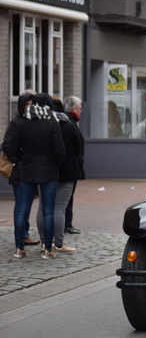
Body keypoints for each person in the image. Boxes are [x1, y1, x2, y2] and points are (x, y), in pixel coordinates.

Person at [11, 93, 65, 259]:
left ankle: (19, 248)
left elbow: (12, 148)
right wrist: (55, 162)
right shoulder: (52, 124)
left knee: (22, 210)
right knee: (48, 211)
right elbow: (60, 150)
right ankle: (48, 249)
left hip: (28, 170)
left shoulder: (22, 124)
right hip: (48, 171)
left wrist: (24, 159)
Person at [35, 97, 84, 253]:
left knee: (43, 207)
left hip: (45, 171)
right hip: (66, 172)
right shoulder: (69, 127)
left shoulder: (41, 126)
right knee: (59, 209)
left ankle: (44, 241)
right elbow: (78, 148)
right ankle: (58, 242)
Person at [2, 90, 39, 246]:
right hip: (20, 170)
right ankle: (22, 236)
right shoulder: (17, 122)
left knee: (25, 204)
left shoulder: (32, 121)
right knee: (22, 205)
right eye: (28, 104)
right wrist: (19, 160)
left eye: (32, 104)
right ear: (22, 105)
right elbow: (8, 146)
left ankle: (24, 234)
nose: (30, 107)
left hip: (29, 169)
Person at [63, 96, 84, 234]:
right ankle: (67, 224)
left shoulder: (70, 122)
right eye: (80, 108)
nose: (81, 111)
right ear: (74, 109)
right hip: (69, 167)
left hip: (70, 166)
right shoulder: (69, 124)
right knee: (66, 197)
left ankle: (67, 223)